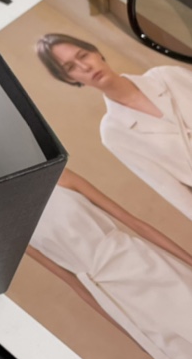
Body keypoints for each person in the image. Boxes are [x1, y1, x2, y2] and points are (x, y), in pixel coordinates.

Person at [27, 169, 192, 359]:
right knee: (179, 350)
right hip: (114, 295)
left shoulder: (60, 177)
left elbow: (136, 224)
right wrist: (135, 337)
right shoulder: (18, 233)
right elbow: (74, 284)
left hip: (142, 262)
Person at [37, 32, 192, 221]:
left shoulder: (167, 76)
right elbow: (165, 185)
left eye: (83, 55)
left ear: (96, 52)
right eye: (71, 67)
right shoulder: (113, 132)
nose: (85, 67)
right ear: (68, 78)